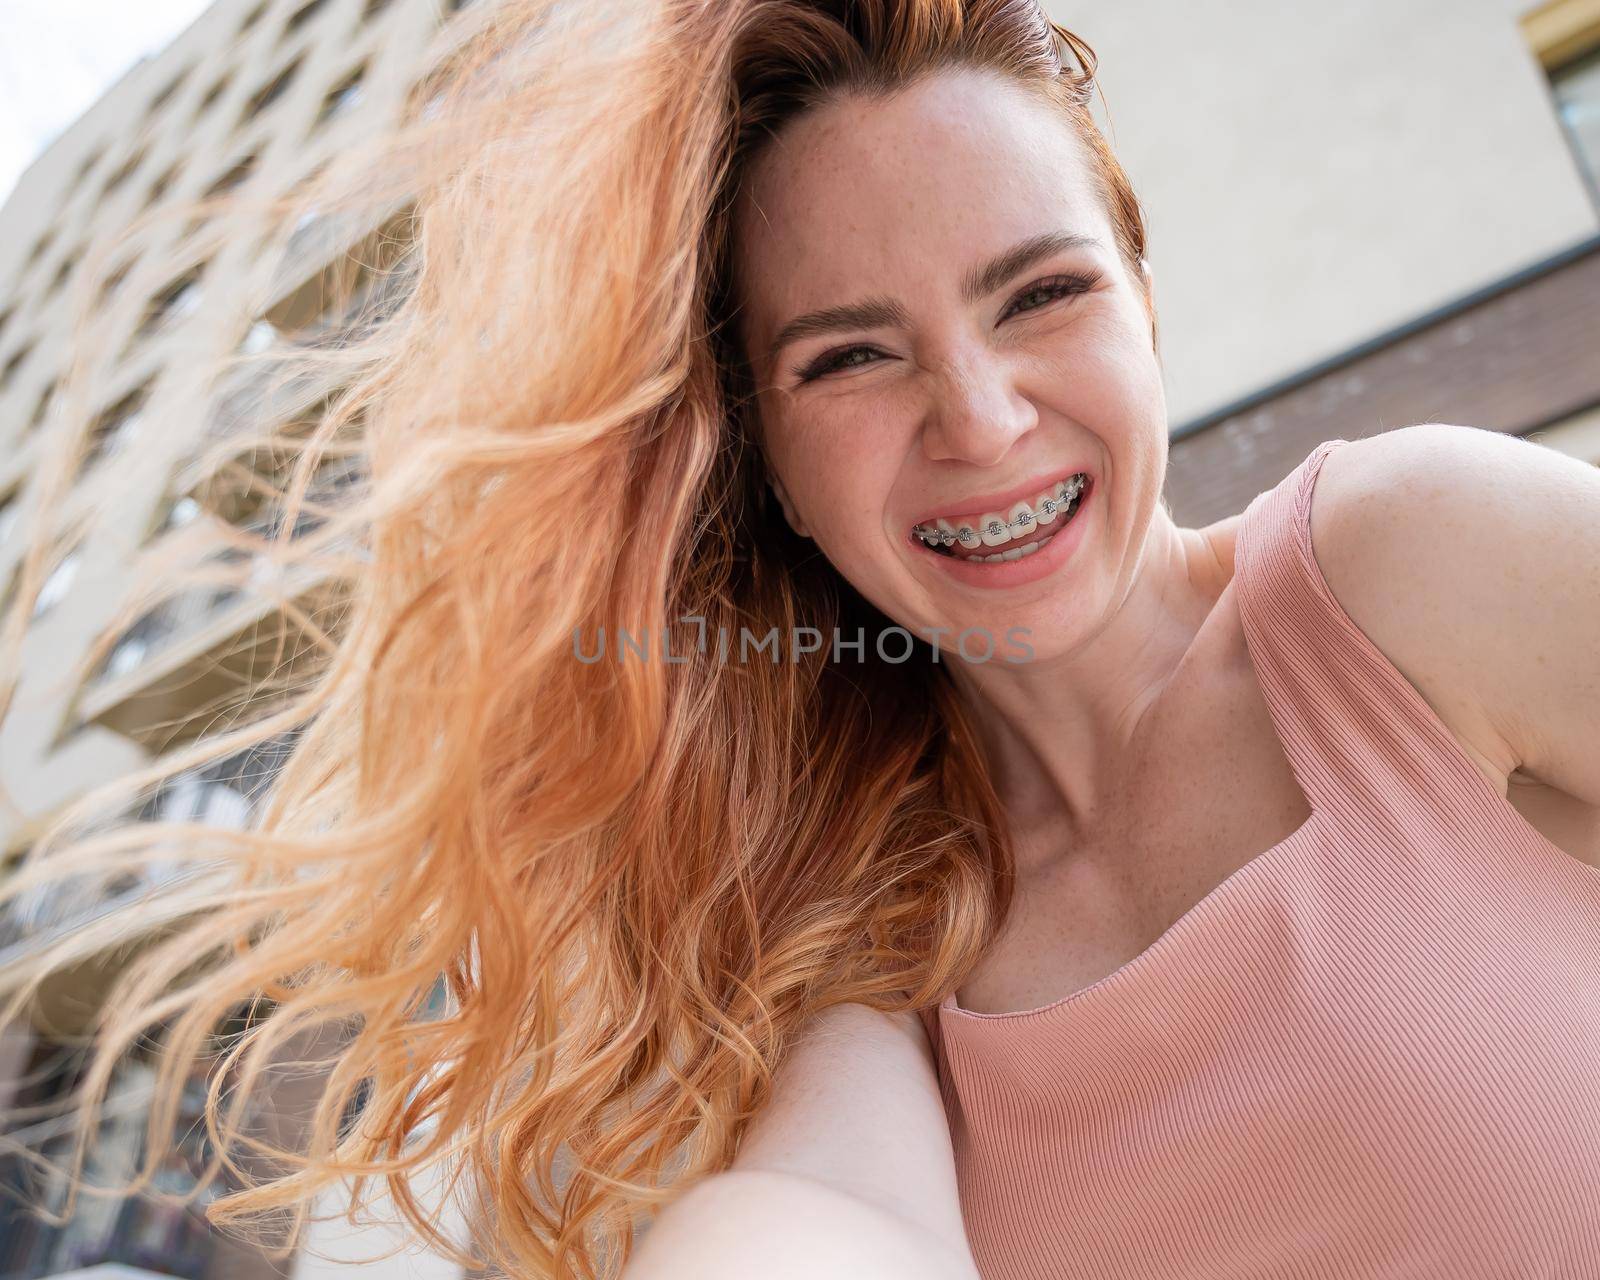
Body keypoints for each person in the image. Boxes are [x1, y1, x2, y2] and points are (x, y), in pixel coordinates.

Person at [6, 2, 1598, 1279]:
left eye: (1040, 293)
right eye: (851, 357)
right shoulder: (849, 947)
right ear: (763, 457)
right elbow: (821, 1231)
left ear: (1147, 305)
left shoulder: (1409, 567)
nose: (979, 418)